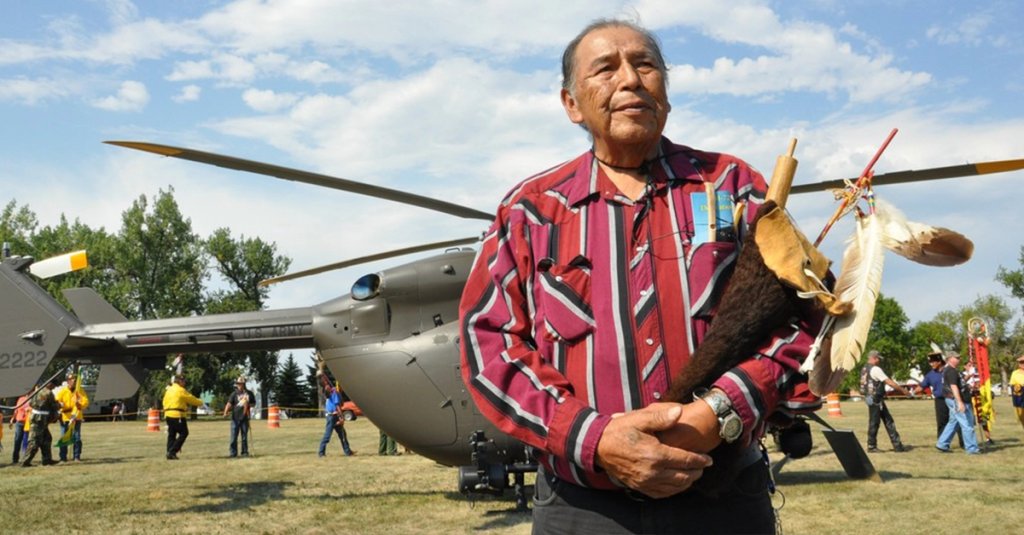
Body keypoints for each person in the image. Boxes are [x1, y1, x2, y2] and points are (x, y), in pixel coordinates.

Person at [458, 19, 828, 533]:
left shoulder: (731, 186)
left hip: (724, 500)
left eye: (645, 64)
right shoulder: (531, 212)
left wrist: (722, 409)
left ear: (666, 95)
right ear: (571, 105)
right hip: (583, 509)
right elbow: (488, 345)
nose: (630, 79)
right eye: (605, 69)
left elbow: (802, 311)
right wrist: (594, 438)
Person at [859, 350, 909, 453]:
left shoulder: (864, 368)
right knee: (875, 422)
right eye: (878, 359)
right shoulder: (876, 369)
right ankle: (872, 446)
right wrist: (903, 390)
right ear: (874, 358)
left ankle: (897, 446)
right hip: (876, 399)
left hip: (869, 398)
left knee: (887, 420)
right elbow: (889, 382)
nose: (879, 361)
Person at [915, 350, 962, 447]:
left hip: (952, 399)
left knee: (958, 421)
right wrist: (911, 392)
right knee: (942, 422)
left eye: (933, 362)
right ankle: (942, 443)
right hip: (940, 400)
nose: (931, 364)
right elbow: (922, 386)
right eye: (930, 362)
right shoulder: (930, 375)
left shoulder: (949, 370)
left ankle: (964, 442)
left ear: (939, 361)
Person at [936, 353, 981, 454]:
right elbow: (954, 387)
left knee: (954, 422)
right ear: (950, 359)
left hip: (953, 399)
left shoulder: (951, 370)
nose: (959, 359)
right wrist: (960, 402)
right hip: (956, 399)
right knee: (967, 424)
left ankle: (942, 444)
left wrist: (969, 374)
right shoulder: (951, 371)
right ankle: (972, 448)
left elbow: (960, 382)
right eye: (956, 357)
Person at [162, 375, 203, 460]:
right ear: (179, 381)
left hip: (168, 415)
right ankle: (172, 451)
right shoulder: (180, 390)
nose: (185, 382)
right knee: (184, 433)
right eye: (183, 381)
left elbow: (164, 401)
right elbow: (191, 399)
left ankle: (169, 452)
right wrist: (200, 402)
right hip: (177, 415)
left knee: (172, 434)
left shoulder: (169, 390)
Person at [21, 379, 60, 467]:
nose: (54, 388)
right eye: (53, 386)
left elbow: (30, 403)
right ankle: (26, 461)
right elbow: (53, 406)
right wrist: (59, 405)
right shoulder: (48, 393)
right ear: (50, 384)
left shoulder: (37, 390)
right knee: (34, 441)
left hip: (36, 417)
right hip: (40, 420)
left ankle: (47, 460)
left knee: (47, 438)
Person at [56, 371, 89, 462]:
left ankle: (77, 456)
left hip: (76, 416)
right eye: (71, 379)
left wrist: (80, 403)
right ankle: (63, 458)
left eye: (74, 379)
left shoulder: (79, 391)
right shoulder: (63, 391)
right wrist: (59, 404)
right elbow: (56, 401)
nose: (73, 381)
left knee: (77, 437)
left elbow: (86, 402)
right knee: (64, 437)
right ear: (68, 381)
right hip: (65, 417)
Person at [318, 380, 354, 457]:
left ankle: (348, 452)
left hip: (334, 416)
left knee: (342, 434)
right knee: (327, 436)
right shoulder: (331, 393)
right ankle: (321, 453)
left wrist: (338, 393)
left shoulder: (334, 392)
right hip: (332, 417)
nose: (328, 386)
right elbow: (337, 406)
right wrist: (342, 417)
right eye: (326, 386)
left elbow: (341, 403)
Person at [223, 376, 255, 457]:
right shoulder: (234, 394)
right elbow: (229, 404)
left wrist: (248, 403)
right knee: (233, 437)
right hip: (235, 418)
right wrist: (225, 412)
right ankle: (233, 453)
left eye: (241, 384)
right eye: (238, 384)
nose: (240, 385)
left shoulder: (249, 393)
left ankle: (244, 453)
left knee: (244, 437)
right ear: (237, 384)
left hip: (245, 418)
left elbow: (254, 404)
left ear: (244, 384)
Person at [9, 388, 31, 464]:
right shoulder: (21, 399)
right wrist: (12, 419)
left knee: (27, 442)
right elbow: (16, 409)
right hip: (19, 422)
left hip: (27, 423)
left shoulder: (32, 399)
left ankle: (25, 459)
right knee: (17, 440)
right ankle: (15, 459)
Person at [1011, 354, 1024, 432]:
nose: (1022, 364)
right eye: (1021, 362)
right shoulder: (1015, 373)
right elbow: (1013, 385)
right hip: (1020, 397)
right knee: (1021, 417)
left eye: (1023, 362)